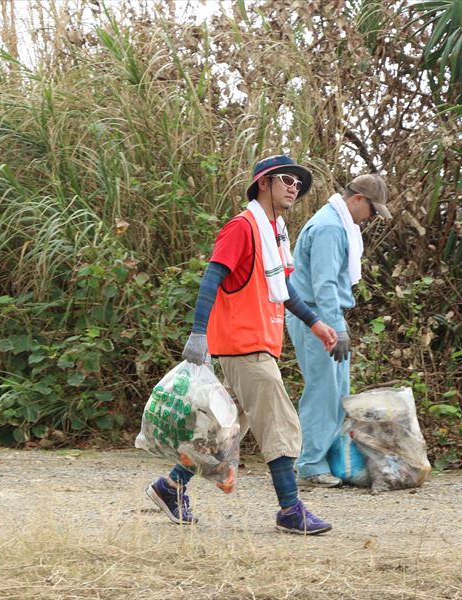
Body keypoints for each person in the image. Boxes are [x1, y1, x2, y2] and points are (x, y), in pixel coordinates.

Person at [145, 154, 339, 535]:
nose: (294, 187)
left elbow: (283, 289)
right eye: (287, 179)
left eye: (298, 183)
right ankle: (290, 509)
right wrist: (198, 333)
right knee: (280, 422)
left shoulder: (274, 234)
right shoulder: (243, 228)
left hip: (254, 344)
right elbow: (211, 278)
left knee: (222, 429)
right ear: (264, 182)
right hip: (244, 346)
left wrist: (314, 323)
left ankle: (170, 486)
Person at [286, 174, 392, 487]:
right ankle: (311, 465)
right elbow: (324, 284)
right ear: (357, 199)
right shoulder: (330, 228)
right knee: (323, 391)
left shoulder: (339, 223)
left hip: (326, 315)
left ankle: (328, 460)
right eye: (372, 210)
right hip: (315, 317)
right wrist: (335, 327)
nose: (371, 218)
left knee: (338, 392)